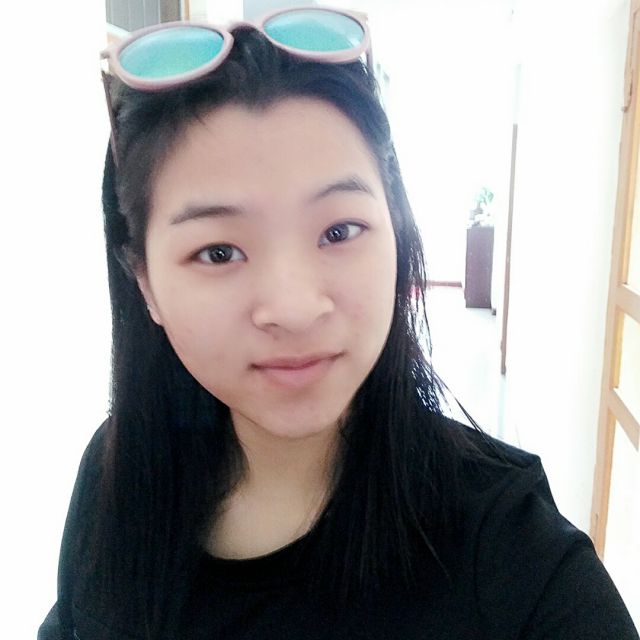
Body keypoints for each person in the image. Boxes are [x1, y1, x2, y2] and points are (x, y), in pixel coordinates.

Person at [39, 7, 638, 640]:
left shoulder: (509, 550)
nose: (295, 308)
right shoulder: (115, 476)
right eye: (218, 252)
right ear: (145, 284)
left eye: (339, 230)